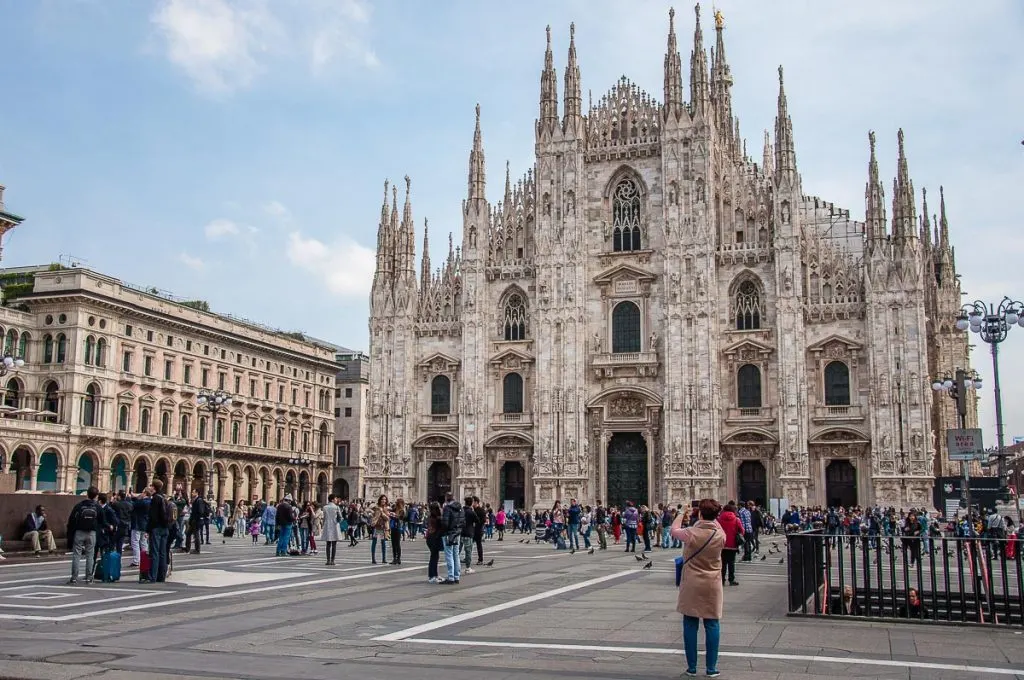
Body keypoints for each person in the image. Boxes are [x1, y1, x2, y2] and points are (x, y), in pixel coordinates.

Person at [671, 499, 725, 678]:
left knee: (690, 622)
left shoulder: (691, 533)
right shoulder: (720, 534)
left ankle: (692, 668)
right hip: (713, 583)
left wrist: (682, 512)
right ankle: (711, 668)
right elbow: (713, 523)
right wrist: (710, 516)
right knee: (712, 623)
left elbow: (674, 530)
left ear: (700, 514)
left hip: (692, 582)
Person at [66, 486, 101, 585]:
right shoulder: (97, 507)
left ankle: (74, 578)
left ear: (87, 494)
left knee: (76, 555)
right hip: (91, 533)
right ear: (96, 496)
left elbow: (71, 520)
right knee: (90, 555)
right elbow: (102, 520)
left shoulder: (79, 506)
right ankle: (89, 578)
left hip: (79, 532)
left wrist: (70, 534)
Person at [147, 479, 172, 582]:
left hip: (156, 528)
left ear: (154, 487)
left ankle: (153, 576)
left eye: (151, 486)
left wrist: (148, 530)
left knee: (155, 552)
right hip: (165, 528)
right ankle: (161, 576)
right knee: (163, 552)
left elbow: (152, 516)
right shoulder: (165, 498)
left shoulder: (155, 498)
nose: (150, 487)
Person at [718, 502, 743, 586]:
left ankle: (722, 580)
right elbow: (742, 531)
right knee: (731, 563)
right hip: (733, 545)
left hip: (722, 544)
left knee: (722, 563)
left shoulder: (719, 519)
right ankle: (731, 580)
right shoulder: (736, 519)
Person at [441, 493, 465, 584]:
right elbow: (463, 522)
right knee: (456, 555)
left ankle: (450, 577)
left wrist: (443, 530)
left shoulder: (447, 508)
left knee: (449, 555)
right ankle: (456, 576)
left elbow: (445, 523)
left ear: (446, 498)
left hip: (448, 534)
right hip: (457, 534)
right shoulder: (460, 508)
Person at [321, 494, 342, 566]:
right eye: (335, 499)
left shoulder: (325, 507)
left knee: (328, 544)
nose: (336, 500)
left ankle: (328, 560)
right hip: (334, 525)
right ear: (332, 499)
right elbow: (341, 518)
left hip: (327, 525)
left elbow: (324, 518)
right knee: (334, 544)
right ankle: (332, 560)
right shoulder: (336, 507)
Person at [370, 494, 391, 565]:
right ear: (380, 500)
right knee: (374, 542)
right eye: (382, 499)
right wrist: (373, 513)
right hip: (377, 526)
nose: (383, 500)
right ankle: (373, 559)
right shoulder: (376, 507)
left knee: (383, 543)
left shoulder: (387, 508)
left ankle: (384, 559)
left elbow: (388, 518)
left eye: (385, 499)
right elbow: (369, 511)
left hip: (383, 527)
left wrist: (382, 513)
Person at [425, 501, 443, 583]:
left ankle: (434, 575)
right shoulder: (437, 518)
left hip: (430, 538)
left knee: (435, 557)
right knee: (434, 557)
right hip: (434, 538)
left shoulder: (431, 516)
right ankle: (432, 576)